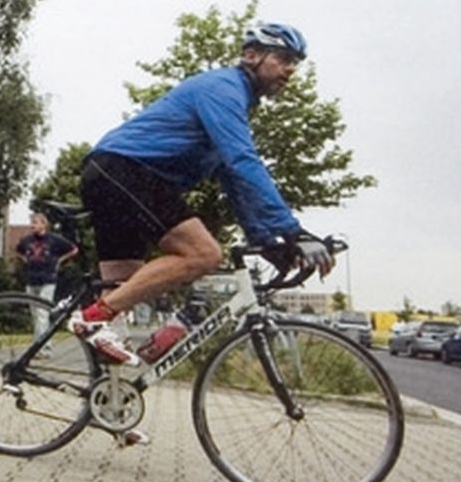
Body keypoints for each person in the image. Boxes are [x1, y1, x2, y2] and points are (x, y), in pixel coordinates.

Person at [70, 22, 335, 380]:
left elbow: (233, 179)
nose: (290, 69)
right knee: (204, 254)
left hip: (117, 176)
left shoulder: (237, 102)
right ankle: (89, 320)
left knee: (123, 293)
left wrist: (265, 238)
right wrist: (292, 229)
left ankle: (111, 408)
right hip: (124, 170)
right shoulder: (223, 89)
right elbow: (243, 160)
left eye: (296, 63)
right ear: (252, 56)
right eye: (284, 58)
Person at [15, 211, 78, 340]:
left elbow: (73, 249)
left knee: (42, 313)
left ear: (44, 224)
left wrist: (60, 260)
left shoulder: (54, 239)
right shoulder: (27, 240)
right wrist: (25, 259)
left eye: (35, 222)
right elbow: (18, 250)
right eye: (31, 222)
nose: (32, 225)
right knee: (35, 315)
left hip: (48, 279)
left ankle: (42, 348)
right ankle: (39, 344)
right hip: (31, 280)